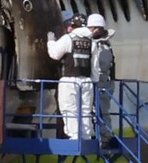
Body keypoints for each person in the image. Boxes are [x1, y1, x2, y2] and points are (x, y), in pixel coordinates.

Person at [47, 13, 94, 140]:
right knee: (85, 110)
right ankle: (86, 135)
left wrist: (51, 41)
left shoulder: (69, 38)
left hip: (70, 80)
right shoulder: (92, 41)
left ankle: (74, 136)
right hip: (87, 81)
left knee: (69, 109)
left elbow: (54, 54)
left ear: (73, 26)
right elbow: (95, 64)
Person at [87, 13, 116, 147]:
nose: (94, 31)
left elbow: (102, 66)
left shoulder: (102, 46)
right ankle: (102, 135)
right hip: (100, 82)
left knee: (102, 109)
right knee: (96, 110)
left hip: (102, 83)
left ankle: (105, 137)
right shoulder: (101, 44)